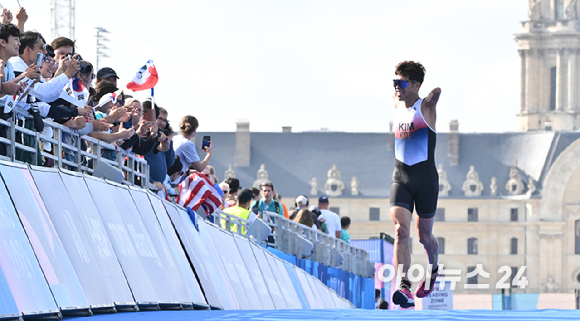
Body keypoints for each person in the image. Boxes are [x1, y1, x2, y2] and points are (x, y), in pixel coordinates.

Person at [389, 61, 441, 309]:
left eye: (402, 83)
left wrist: (430, 96)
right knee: (400, 231)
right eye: (395, 83)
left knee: (424, 236)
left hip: (426, 180)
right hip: (401, 177)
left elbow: (437, 92)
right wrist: (402, 87)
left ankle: (432, 270)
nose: (397, 87)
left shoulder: (427, 108)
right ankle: (404, 285)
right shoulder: (398, 103)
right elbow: (398, 94)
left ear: (416, 85)